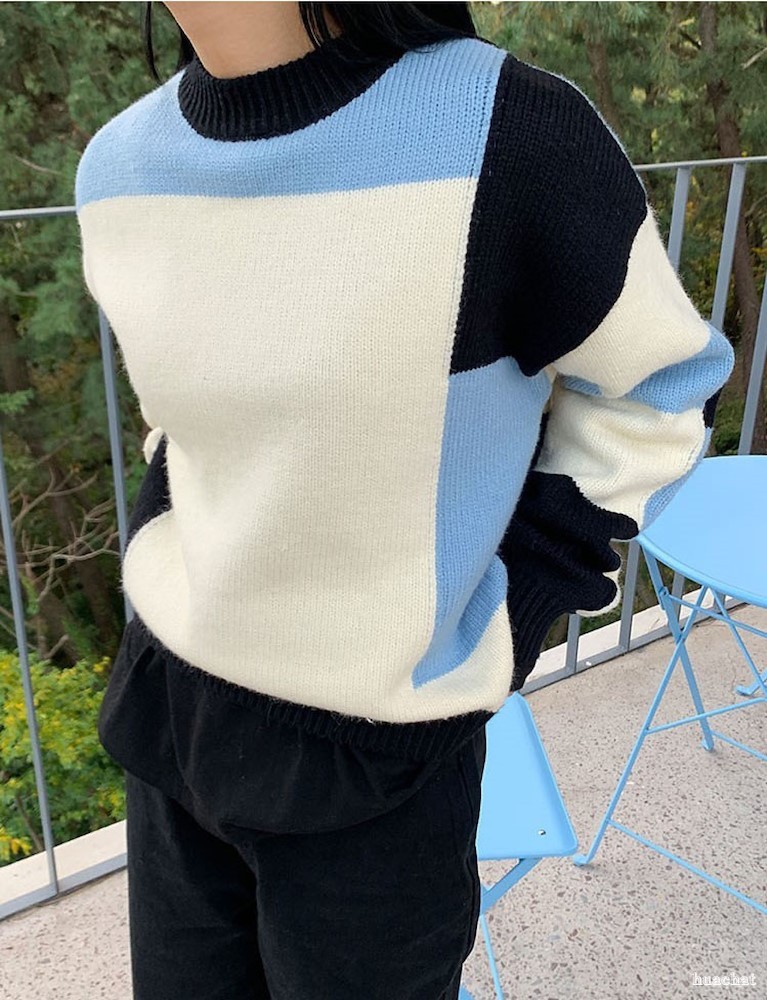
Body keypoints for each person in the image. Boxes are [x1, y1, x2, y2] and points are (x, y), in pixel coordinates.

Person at [73, 2, 735, 998]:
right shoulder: (119, 167)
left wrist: (509, 614)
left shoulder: (504, 128)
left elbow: (659, 391)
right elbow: (177, 429)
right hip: (169, 711)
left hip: (378, 754)